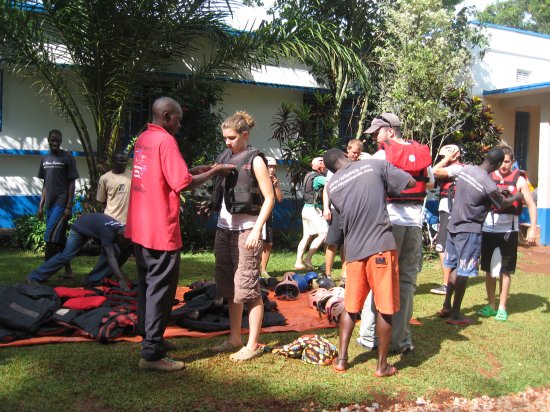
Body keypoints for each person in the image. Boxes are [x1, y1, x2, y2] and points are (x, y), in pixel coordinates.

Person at [125, 96, 234, 372]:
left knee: (148, 287)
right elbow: (182, 184)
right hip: (160, 230)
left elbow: (164, 176)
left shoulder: (144, 139)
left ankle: (153, 338)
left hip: (140, 227)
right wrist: (216, 171)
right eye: (178, 119)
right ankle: (150, 354)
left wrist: (197, 170)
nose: (180, 124)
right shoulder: (165, 141)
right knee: (161, 290)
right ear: (166, 117)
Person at [323, 148, 415, 376]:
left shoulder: (332, 186)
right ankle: (382, 366)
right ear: (346, 154)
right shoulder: (375, 165)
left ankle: (342, 360)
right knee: (385, 307)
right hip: (380, 245)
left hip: (353, 251)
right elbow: (410, 182)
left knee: (351, 307)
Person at [357, 113, 433, 354]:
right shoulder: (421, 154)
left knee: (378, 280)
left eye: (377, 132)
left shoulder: (382, 155)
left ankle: (370, 337)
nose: (375, 138)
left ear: (390, 131)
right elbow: (429, 182)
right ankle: (400, 341)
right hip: (413, 224)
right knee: (407, 282)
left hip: (388, 225)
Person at [209, 111, 275, 361]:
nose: (227, 142)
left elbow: (269, 198)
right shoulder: (225, 157)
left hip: (248, 230)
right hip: (224, 228)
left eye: (232, 138)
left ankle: (252, 344)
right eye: (225, 138)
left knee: (248, 287)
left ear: (245, 135)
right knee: (229, 287)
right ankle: (234, 338)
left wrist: (257, 230)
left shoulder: (256, 159)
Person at [438, 147, 523, 325]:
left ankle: (446, 306)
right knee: (463, 271)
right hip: (469, 230)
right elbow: (500, 205)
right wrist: (516, 195)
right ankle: (455, 314)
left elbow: (475, 195)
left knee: (453, 266)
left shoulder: (466, 170)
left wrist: (499, 194)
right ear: (499, 164)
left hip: (454, 225)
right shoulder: (488, 183)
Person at [478, 147, 537, 321]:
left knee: (504, 269)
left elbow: (531, 205)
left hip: (508, 230)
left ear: (512, 162)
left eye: (507, 162)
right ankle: (491, 304)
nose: (504, 165)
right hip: (488, 228)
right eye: (502, 161)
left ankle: (502, 307)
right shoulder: (489, 177)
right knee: (489, 269)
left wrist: (533, 227)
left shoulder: (519, 180)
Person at [26, 213, 130, 288]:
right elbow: (110, 256)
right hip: (80, 228)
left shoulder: (122, 230)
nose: (124, 244)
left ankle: (93, 280)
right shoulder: (109, 233)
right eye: (124, 242)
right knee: (66, 255)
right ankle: (34, 276)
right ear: (120, 237)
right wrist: (120, 278)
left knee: (116, 251)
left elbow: (125, 251)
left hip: (95, 229)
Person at [37, 129, 79, 279]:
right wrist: (40, 206)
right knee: (60, 238)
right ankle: (68, 270)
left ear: (61, 141)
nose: (54, 143)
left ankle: (43, 273)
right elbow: (45, 185)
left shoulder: (67, 158)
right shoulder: (45, 159)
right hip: (49, 204)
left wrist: (69, 205)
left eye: (57, 141)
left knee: (50, 236)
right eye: (52, 140)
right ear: (48, 140)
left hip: (61, 204)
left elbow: (72, 183)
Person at [322, 139, 363, 281]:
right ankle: (327, 274)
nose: (356, 155)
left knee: (347, 243)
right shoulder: (337, 163)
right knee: (332, 242)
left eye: (358, 153)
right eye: (353, 152)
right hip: (335, 209)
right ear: (348, 150)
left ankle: (345, 275)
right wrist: (326, 208)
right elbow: (327, 189)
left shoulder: (360, 166)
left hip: (351, 210)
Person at [431, 144, 464, 295]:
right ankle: (448, 282)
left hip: (450, 210)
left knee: (442, 246)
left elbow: (433, 171)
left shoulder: (457, 168)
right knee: (443, 246)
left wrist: (446, 160)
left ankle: (446, 284)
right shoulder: (452, 168)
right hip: (446, 209)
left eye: (446, 156)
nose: (443, 159)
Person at [294, 157, 328, 270]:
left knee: (306, 236)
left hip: (306, 209)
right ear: (320, 167)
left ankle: (298, 262)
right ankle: (308, 258)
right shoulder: (319, 178)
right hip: (314, 210)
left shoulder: (308, 175)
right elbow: (332, 183)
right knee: (323, 233)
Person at [261, 156, 283, 277]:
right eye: (269, 166)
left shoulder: (275, 180)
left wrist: (276, 185)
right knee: (257, 243)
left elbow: (279, 199)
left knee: (268, 243)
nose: (272, 169)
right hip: (257, 214)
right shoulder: (257, 178)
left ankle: (263, 269)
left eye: (274, 167)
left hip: (269, 215)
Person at [97, 152, 132, 224]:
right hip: (111, 220)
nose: (124, 163)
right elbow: (101, 200)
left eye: (125, 161)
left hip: (128, 222)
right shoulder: (105, 178)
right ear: (113, 162)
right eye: (121, 161)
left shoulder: (133, 175)